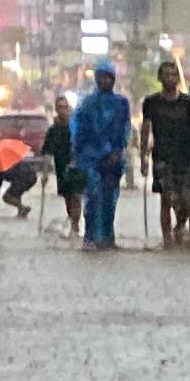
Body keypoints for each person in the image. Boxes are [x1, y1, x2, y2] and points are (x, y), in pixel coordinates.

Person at [72, 63, 133, 248]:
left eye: (109, 77)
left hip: (113, 160)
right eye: (102, 77)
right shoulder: (87, 103)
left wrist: (118, 150)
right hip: (90, 158)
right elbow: (78, 130)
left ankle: (108, 238)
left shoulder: (121, 103)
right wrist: (77, 155)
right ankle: (90, 237)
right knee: (92, 197)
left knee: (109, 200)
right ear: (97, 79)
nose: (105, 81)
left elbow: (124, 129)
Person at [144, 66, 190, 247]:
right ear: (160, 78)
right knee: (166, 199)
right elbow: (145, 129)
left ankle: (180, 227)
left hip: (185, 156)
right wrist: (143, 157)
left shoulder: (188, 102)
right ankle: (167, 240)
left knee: (187, 200)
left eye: (174, 75)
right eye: (167, 75)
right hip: (162, 156)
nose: (171, 78)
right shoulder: (151, 102)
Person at [40, 95, 83, 237]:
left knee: (76, 196)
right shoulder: (53, 130)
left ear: (69, 108)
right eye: (59, 107)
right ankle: (73, 223)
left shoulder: (77, 127)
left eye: (65, 107)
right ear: (56, 109)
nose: (62, 110)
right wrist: (45, 174)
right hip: (61, 169)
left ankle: (75, 227)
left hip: (77, 167)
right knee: (68, 198)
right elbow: (47, 153)